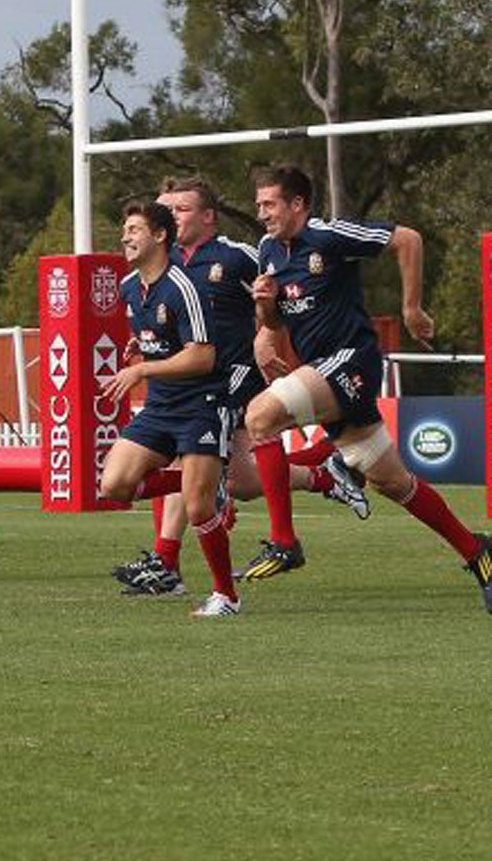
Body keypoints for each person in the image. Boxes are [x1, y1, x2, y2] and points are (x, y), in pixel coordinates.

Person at [238, 166, 491, 609]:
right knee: (392, 482)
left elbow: (407, 239)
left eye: (269, 204)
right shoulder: (268, 250)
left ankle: (285, 542)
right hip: (324, 368)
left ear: (298, 204)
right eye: (259, 205)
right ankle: (477, 551)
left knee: (260, 417)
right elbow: (277, 320)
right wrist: (266, 312)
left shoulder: (329, 236)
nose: (262, 213)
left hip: (351, 360)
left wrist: (411, 309)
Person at [112, 176, 366, 596]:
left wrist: (270, 342)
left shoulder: (235, 257)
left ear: (208, 216)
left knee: (192, 464)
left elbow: (280, 298)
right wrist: (144, 342)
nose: (172, 216)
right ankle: (324, 475)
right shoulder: (162, 266)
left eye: (182, 209)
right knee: (240, 481)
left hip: (230, 374)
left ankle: (166, 561)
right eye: (167, 209)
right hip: (189, 381)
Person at [92, 201, 241, 618]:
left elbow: (203, 357)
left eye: (135, 229)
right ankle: (206, 481)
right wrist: (142, 345)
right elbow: (159, 334)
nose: (125, 237)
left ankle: (226, 596)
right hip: (161, 406)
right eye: (124, 229)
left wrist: (142, 370)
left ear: (160, 236)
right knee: (113, 486)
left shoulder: (183, 286)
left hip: (202, 404)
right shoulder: (128, 288)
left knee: (197, 510)